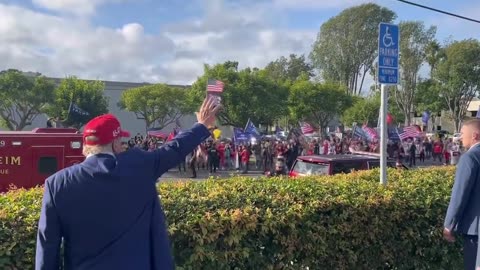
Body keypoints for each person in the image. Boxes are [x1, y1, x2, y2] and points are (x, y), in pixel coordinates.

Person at [35, 97, 221, 270]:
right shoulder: (140, 165)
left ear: (86, 146)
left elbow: (47, 247)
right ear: (116, 143)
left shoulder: (56, 184)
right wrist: (202, 125)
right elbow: (174, 148)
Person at [443, 119, 480, 270]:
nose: (460, 137)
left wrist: (449, 225)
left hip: (475, 230)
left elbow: (460, 194)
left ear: (475, 135)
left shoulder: (470, 158)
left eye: (463, 133)